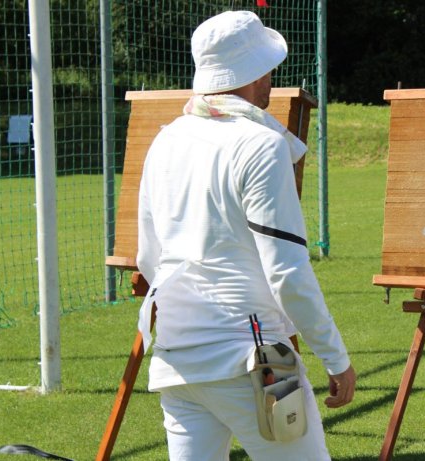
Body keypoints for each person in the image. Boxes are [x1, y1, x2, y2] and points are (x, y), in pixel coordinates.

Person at [136, 10, 356, 461]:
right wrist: (336, 359)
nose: (271, 77)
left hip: (177, 360)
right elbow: (287, 273)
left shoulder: (166, 139)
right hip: (251, 361)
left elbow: (148, 258)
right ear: (256, 72)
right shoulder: (262, 145)